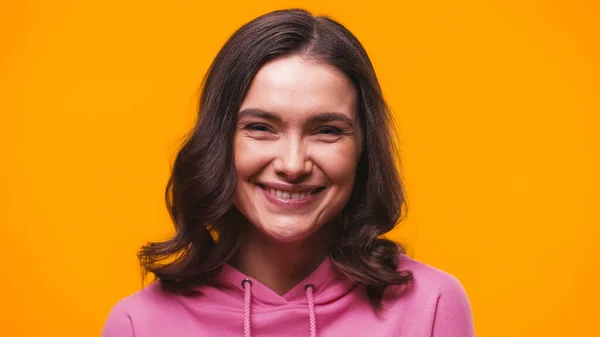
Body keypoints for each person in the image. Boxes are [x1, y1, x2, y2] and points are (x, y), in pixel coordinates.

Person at [101, 8, 475, 337]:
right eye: (261, 127)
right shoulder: (139, 324)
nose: (293, 165)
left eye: (327, 130)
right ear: (220, 141)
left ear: (363, 147)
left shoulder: (430, 307)